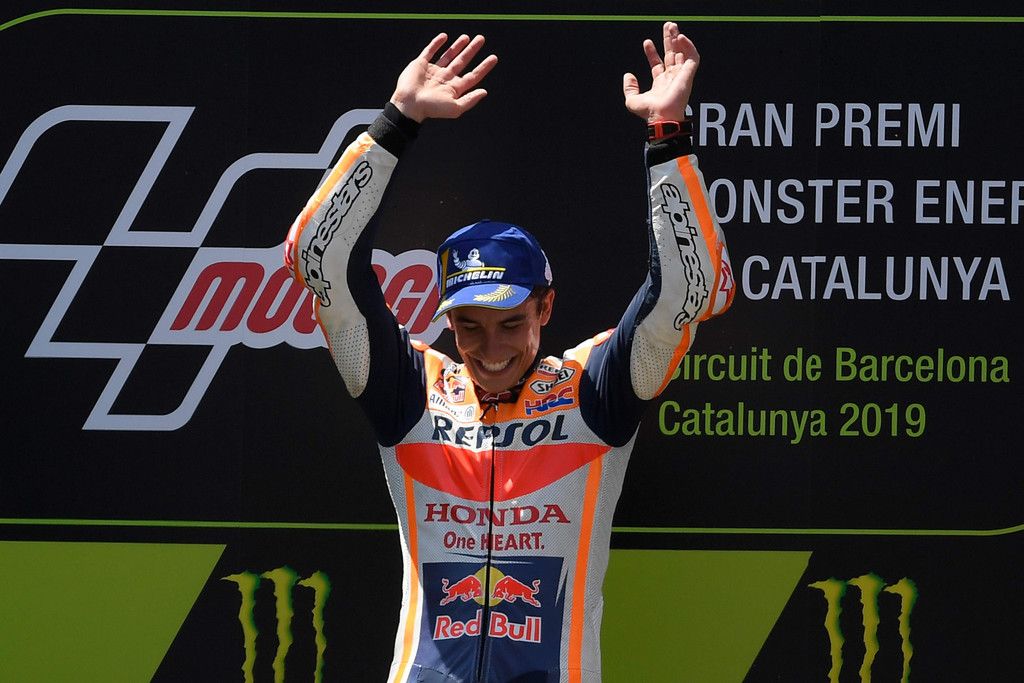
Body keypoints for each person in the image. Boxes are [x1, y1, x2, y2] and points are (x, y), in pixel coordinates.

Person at [285, 22, 733, 683]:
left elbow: (690, 291)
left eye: (510, 323)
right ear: (446, 320)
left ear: (545, 309)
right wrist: (397, 121)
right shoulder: (408, 392)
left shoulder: (593, 392)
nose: (489, 349)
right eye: (468, 326)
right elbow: (317, 258)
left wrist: (668, 137)